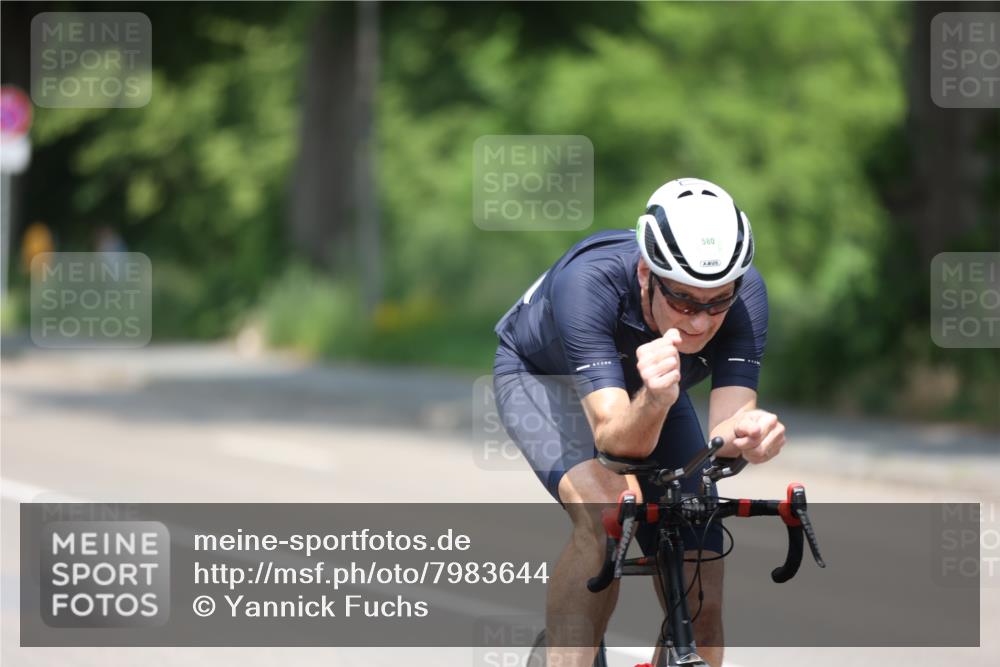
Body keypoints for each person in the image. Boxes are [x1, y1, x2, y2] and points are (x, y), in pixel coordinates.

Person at [492, 178, 786, 667]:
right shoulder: (588, 282)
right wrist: (652, 397)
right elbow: (616, 442)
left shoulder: (746, 294)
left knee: (701, 562)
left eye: (718, 302)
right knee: (608, 512)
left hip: (650, 392)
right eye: (685, 302)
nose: (699, 322)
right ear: (647, 274)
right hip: (544, 379)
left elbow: (728, 429)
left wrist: (753, 436)